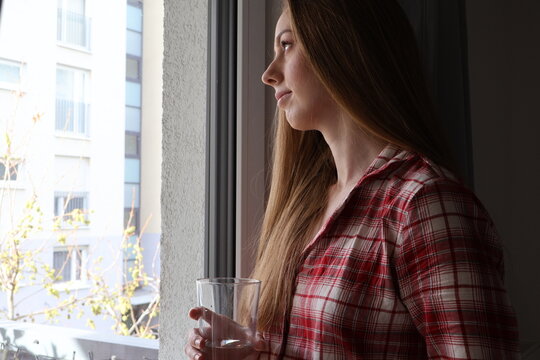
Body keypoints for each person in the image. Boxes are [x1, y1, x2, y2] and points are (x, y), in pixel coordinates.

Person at [185, 0, 520, 358]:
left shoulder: (424, 206)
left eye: (286, 45)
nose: (268, 73)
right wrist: (252, 353)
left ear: (343, 48)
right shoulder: (306, 206)